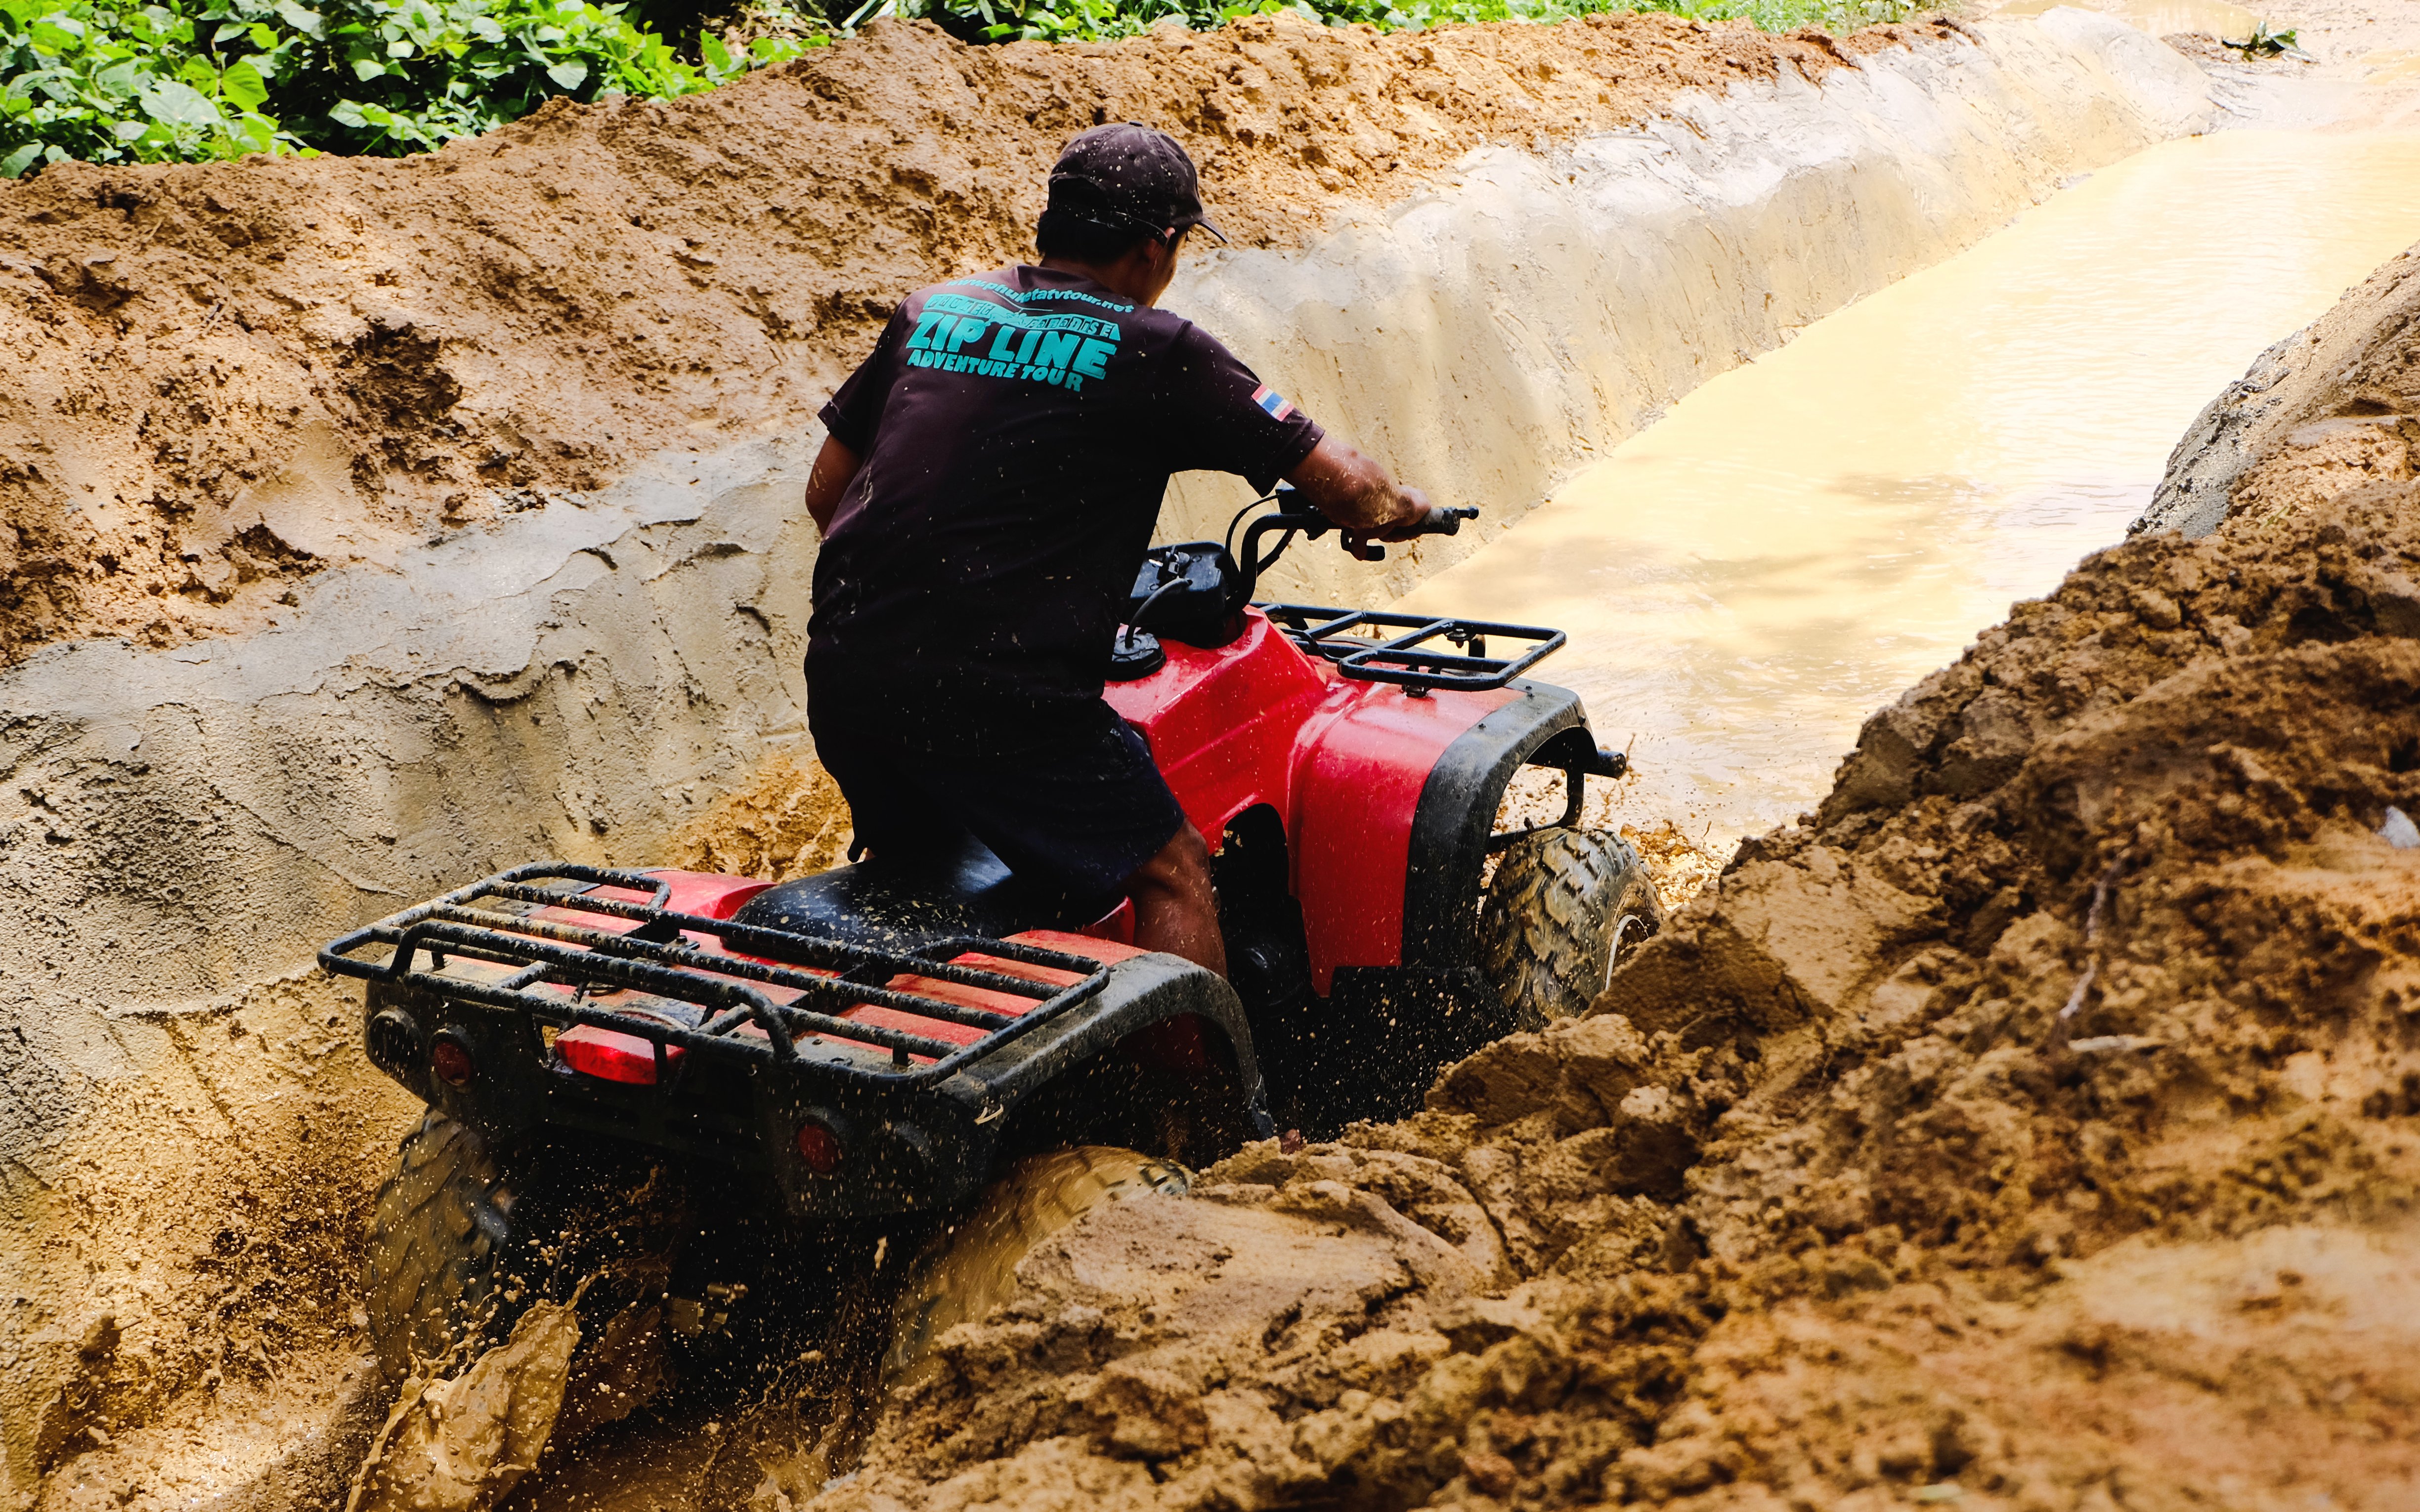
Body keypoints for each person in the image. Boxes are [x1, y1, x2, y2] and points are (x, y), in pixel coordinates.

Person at [799, 123, 1430, 977]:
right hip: (998, 696)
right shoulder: (1157, 349)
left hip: (846, 672)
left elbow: (826, 495)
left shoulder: (934, 309)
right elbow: (1348, 487)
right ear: (1154, 248)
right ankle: (1202, 1111)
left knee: (924, 864)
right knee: (1171, 869)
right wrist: (1400, 512)